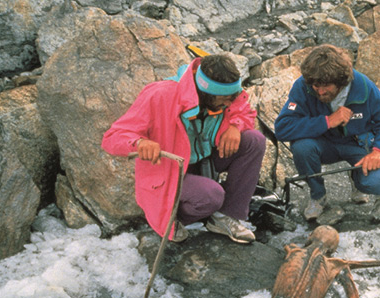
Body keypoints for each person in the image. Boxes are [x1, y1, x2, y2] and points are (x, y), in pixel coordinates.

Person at [102, 54, 266, 243]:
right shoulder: (160, 95)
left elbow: (242, 110)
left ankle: (224, 217)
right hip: (170, 172)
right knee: (212, 195)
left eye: (232, 97)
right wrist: (140, 144)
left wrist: (236, 126)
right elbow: (112, 137)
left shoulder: (227, 96)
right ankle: (173, 220)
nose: (229, 104)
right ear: (205, 92)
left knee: (254, 140)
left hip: (205, 162)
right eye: (224, 99)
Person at [274, 44, 380, 221]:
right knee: (302, 148)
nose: (319, 91)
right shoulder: (303, 86)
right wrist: (327, 121)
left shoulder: (364, 87)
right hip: (322, 144)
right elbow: (282, 128)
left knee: (378, 183)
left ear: (341, 81)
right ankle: (318, 195)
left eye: (326, 86)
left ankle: (358, 179)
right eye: (316, 85)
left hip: (358, 144)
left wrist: (379, 152)